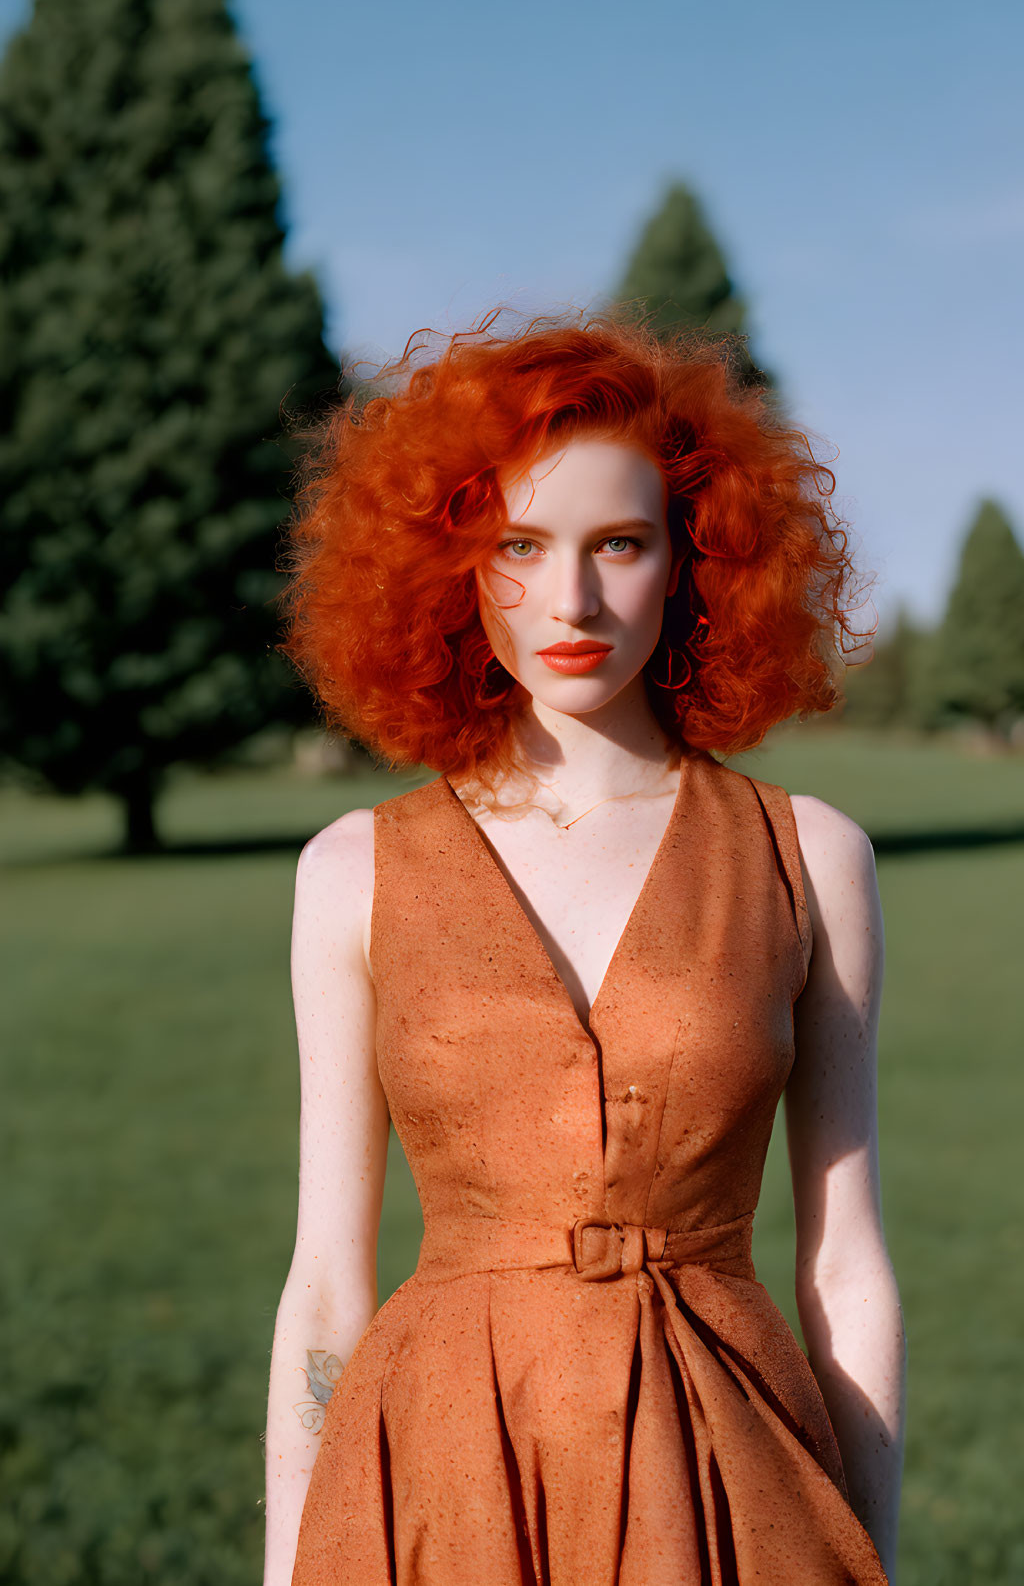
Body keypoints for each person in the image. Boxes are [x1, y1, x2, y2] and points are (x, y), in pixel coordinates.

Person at [262, 311, 906, 1586]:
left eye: (620, 541)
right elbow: (328, 1281)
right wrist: (291, 1564)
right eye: (519, 544)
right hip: (437, 1471)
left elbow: (844, 1256)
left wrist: (867, 1552)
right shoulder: (350, 871)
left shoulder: (809, 856)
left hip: (727, 1471)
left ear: (690, 560)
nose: (572, 598)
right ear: (455, 564)